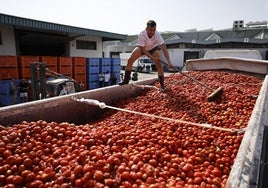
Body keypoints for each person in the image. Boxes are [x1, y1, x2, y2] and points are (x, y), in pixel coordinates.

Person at [119, 20, 174, 92]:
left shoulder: (157, 35)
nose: (152, 32)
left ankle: (162, 86)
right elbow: (144, 50)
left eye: (154, 30)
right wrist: (153, 58)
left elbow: (164, 48)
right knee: (130, 61)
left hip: (153, 48)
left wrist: (169, 62)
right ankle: (125, 81)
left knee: (159, 65)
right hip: (143, 48)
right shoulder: (141, 34)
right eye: (150, 30)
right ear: (146, 29)